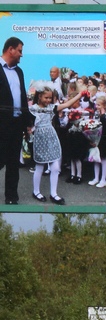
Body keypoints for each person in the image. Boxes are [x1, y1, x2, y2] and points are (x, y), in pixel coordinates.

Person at [28, 81, 83, 204]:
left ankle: (54, 193)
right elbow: (27, 121)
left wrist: (80, 95)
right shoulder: (32, 109)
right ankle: (36, 191)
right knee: (40, 166)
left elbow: (68, 103)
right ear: (39, 96)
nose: (48, 100)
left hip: (51, 136)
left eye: (50, 98)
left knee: (55, 167)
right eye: (46, 97)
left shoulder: (52, 108)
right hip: (40, 137)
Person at [1, 37, 32, 205]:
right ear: (10, 49)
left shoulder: (19, 71)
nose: (21, 55)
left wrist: (27, 122)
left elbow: (22, 97)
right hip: (1, 125)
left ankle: (11, 197)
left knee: (14, 162)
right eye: (20, 50)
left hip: (16, 124)